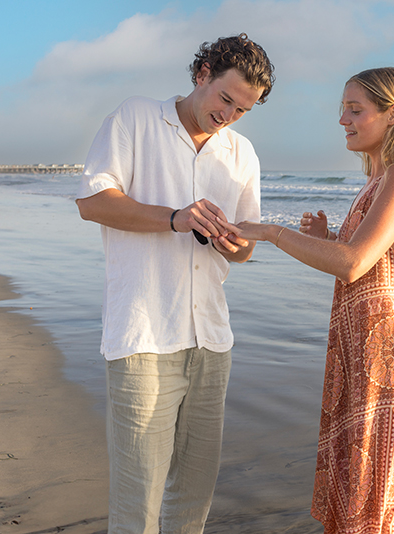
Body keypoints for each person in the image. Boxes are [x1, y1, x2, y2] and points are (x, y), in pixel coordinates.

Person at [230, 67, 394, 533]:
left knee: (377, 494)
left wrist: (271, 232)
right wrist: (325, 238)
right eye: (342, 109)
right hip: (364, 353)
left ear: (393, 115)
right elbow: (366, 261)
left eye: (355, 110)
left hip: (387, 359)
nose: (343, 120)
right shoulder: (381, 177)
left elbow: (353, 265)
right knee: (366, 490)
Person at [75, 33, 274, 534]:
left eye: (243, 109)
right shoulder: (136, 117)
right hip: (143, 336)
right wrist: (175, 218)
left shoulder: (242, 153)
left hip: (211, 339)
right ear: (202, 72)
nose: (229, 114)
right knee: (138, 499)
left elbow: (247, 248)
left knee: (193, 500)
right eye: (226, 98)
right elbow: (93, 201)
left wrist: (234, 242)